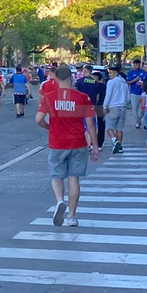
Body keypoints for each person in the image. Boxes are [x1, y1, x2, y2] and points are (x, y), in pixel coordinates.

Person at [36, 65, 99, 228]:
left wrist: (47, 126)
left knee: (56, 176)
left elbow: (38, 119)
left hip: (57, 143)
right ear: (72, 79)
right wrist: (95, 146)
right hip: (78, 143)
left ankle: (59, 201)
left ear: (56, 79)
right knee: (74, 179)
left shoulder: (49, 97)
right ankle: (72, 216)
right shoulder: (82, 97)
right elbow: (91, 125)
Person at [103, 66, 130, 154]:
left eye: (111, 73)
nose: (109, 74)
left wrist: (105, 106)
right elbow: (128, 97)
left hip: (112, 106)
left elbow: (108, 95)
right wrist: (125, 103)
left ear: (116, 73)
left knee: (109, 127)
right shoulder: (124, 83)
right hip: (123, 106)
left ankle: (115, 141)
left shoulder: (111, 82)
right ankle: (120, 146)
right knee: (119, 128)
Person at [126, 58, 147, 129]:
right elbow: (128, 82)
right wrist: (135, 80)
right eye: (135, 64)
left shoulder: (144, 72)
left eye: (138, 64)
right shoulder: (130, 73)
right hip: (134, 93)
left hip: (143, 93)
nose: (137, 65)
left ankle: (139, 119)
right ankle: (137, 122)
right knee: (135, 109)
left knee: (143, 109)